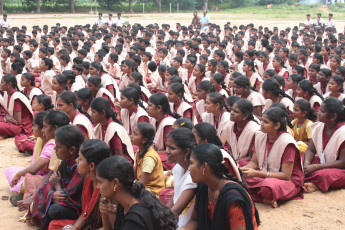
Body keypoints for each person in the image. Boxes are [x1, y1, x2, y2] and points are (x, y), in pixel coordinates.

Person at [182, 144, 259, 230]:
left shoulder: (233, 199)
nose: (189, 168)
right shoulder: (203, 187)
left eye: (191, 163)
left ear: (204, 166)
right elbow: (195, 220)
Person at [241, 107, 304, 208]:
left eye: (265, 122)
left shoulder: (287, 142)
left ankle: (261, 196)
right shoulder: (260, 135)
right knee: (236, 172)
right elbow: (254, 162)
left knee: (268, 188)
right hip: (265, 173)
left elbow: (286, 175)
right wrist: (245, 170)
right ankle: (262, 197)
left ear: (277, 125)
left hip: (287, 180)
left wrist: (256, 173)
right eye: (261, 120)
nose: (261, 123)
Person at [96, 155, 178, 230]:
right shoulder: (125, 204)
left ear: (115, 183)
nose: (98, 186)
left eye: (100, 182)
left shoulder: (134, 219)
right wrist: (105, 215)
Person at [48, 139, 110, 230]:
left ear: (91, 166)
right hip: (89, 225)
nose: (76, 160)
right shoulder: (88, 178)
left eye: (80, 159)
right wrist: (75, 228)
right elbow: (86, 213)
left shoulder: (107, 188)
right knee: (53, 225)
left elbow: (110, 227)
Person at [31, 125, 85, 229]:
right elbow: (53, 180)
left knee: (55, 210)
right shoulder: (65, 162)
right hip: (63, 198)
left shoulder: (80, 167)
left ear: (72, 150)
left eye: (58, 147)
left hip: (76, 207)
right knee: (43, 189)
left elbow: (69, 194)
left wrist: (58, 187)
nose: (55, 149)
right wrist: (54, 191)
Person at [5, 112, 54, 206]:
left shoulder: (51, 145)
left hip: (45, 178)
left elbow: (34, 169)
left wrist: (19, 175)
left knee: (27, 178)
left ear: (43, 129)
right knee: (11, 171)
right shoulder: (40, 140)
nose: (32, 128)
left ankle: (29, 198)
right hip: (38, 174)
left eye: (34, 126)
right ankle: (23, 193)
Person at [304, 97, 345, 193]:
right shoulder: (320, 126)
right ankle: (312, 180)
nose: (318, 112)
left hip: (340, 169)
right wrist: (306, 163)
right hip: (324, 163)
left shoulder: (343, 132)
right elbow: (311, 149)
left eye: (322, 111)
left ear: (333, 116)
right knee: (299, 159)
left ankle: (314, 183)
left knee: (324, 175)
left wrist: (316, 167)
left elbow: (343, 162)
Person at [164, 128, 197, 228]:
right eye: (166, 147)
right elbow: (174, 198)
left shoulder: (192, 177)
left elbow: (175, 211)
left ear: (186, 151)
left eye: (172, 148)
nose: (167, 151)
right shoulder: (178, 167)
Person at [91, 97, 135, 164]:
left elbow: (118, 158)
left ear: (103, 113)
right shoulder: (100, 126)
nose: (91, 115)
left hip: (122, 164)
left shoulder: (113, 130)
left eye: (93, 112)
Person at [223, 99, 260, 166]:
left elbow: (251, 157)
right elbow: (230, 150)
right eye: (232, 110)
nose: (231, 113)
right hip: (235, 160)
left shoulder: (254, 130)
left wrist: (234, 163)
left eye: (236, 111)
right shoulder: (229, 126)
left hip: (247, 163)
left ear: (245, 116)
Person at [131, 122, 165, 196]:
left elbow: (142, 183)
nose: (131, 136)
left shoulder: (149, 157)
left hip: (152, 191)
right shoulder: (138, 152)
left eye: (135, 134)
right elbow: (133, 174)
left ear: (144, 140)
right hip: (141, 186)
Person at [0, 74, 33, 139]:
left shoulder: (16, 98)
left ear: (9, 84)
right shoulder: (7, 94)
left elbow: (17, 121)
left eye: (2, 82)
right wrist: (6, 119)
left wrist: (6, 119)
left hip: (22, 127)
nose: (0, 84)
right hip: (11, 122)